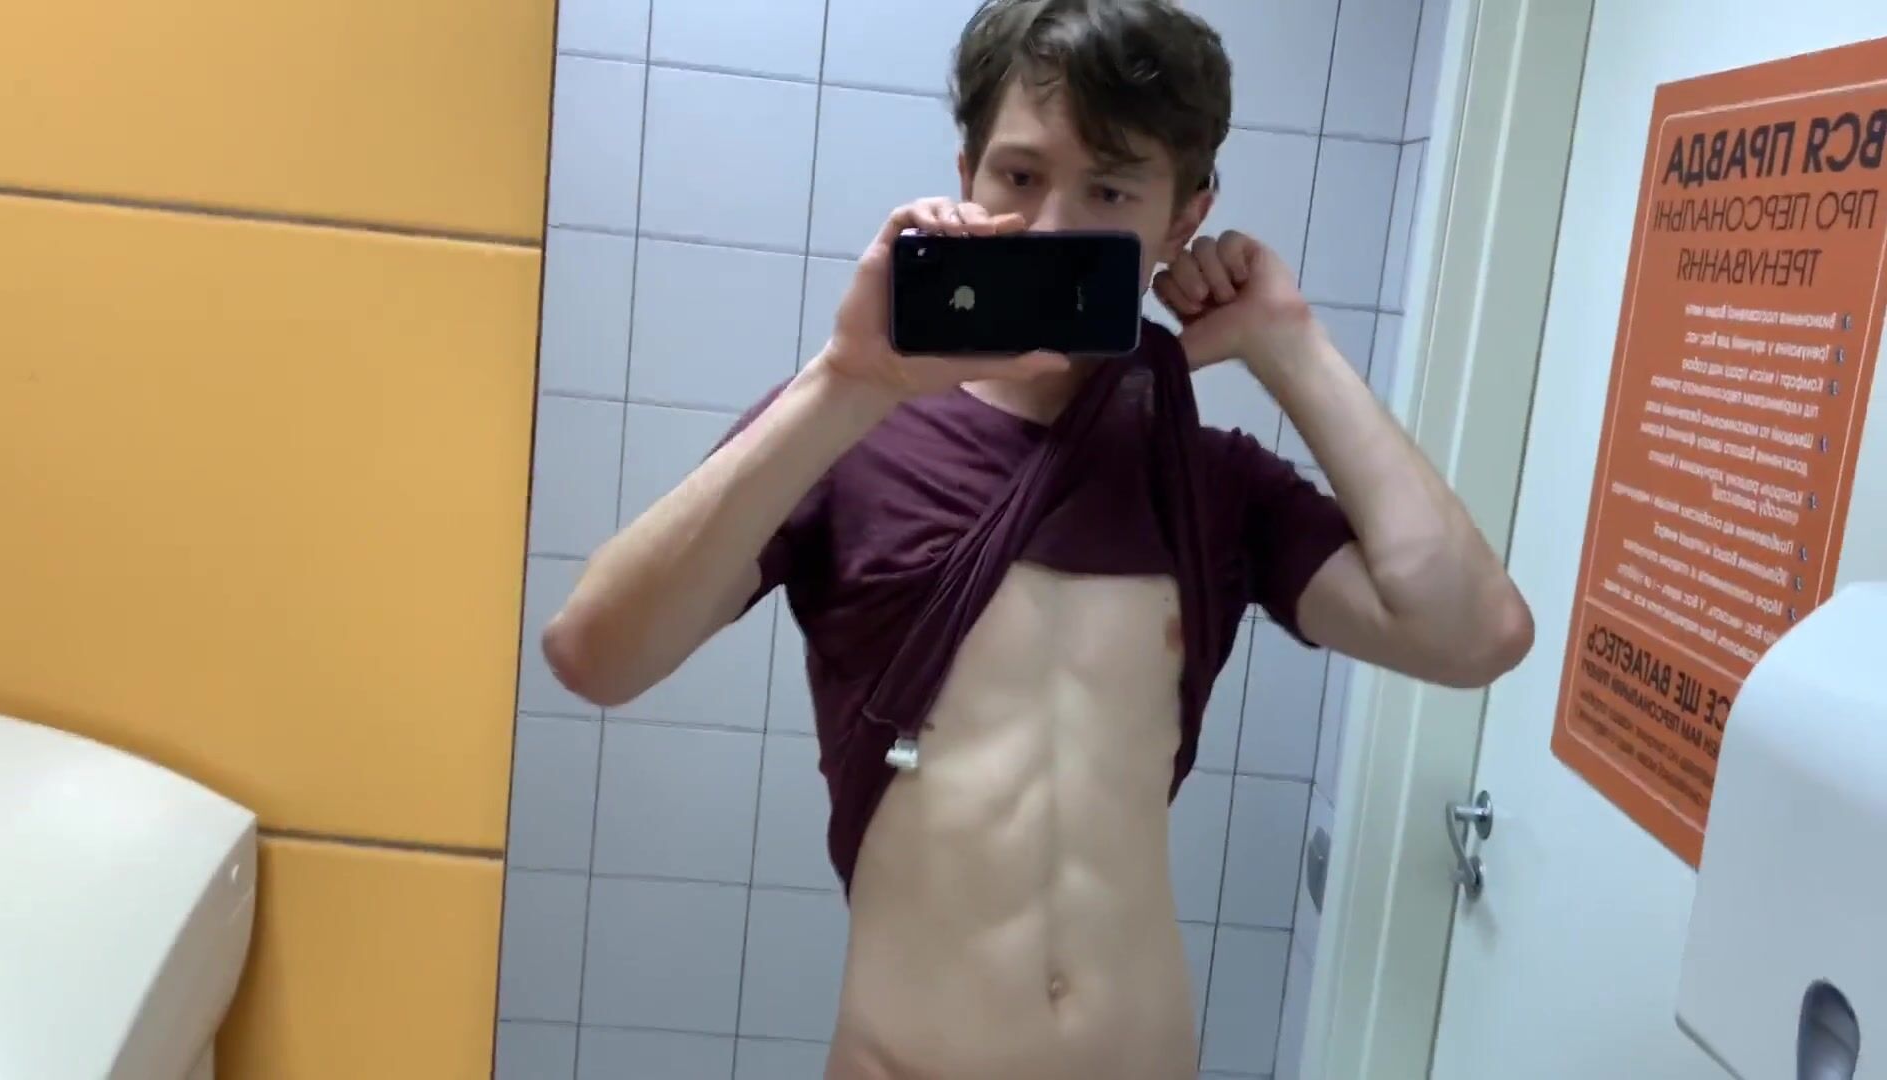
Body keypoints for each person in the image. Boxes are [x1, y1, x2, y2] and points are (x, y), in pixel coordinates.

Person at [543, 0, 1535, 1075]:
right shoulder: (847, 436)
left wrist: (1287, 342)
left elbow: (1472, 634)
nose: (1054, 227)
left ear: (1185, 215)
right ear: (964, 174)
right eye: (1019, 176)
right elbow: (596, 654)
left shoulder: (1206, 479)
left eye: (1109, 190)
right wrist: (844, 380)